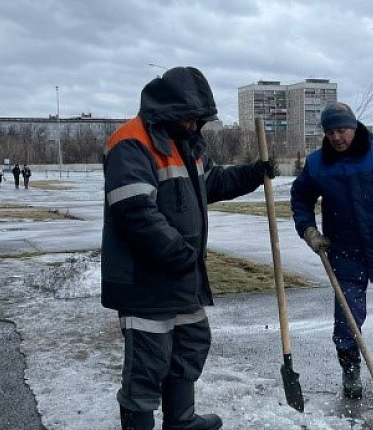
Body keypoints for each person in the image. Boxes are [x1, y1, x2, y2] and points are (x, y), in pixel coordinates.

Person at [101, 66, 274, 430]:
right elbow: (135, 211)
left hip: (182, 278)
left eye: (200, 119)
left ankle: (180, 420)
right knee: (147, 365)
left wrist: (254, 173)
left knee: (191, 344)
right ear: (170, 110)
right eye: (191, 118)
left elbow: (212, 182)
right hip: (145, 281)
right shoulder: (131, 141)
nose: (196, 126)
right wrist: (180, 253)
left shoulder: (185, 145)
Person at [290, 102, 373, 399]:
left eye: (341, 130)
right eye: (330, 131)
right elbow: (300, 198)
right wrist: (309, 231)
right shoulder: (317, 164)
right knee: (347, 313)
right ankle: (350, 372)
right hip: (345, 250)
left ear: (354, 126)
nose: (336, 137)